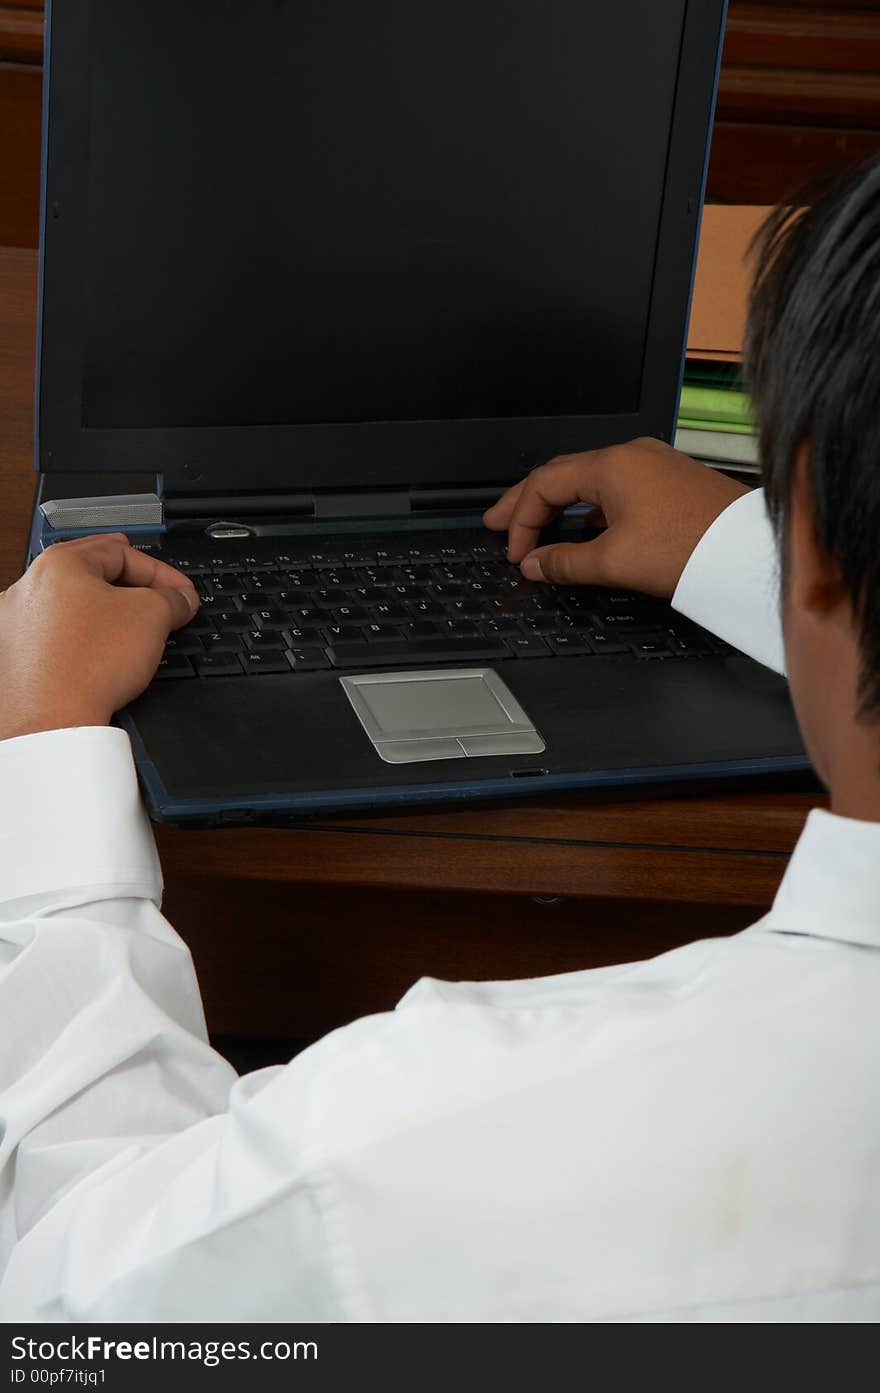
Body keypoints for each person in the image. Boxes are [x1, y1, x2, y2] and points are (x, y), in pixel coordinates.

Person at [1, 158, 879, 1323]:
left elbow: (73, 1301)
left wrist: (39, 738)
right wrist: (743, 551)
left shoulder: (419, 1148)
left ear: (807, 539)